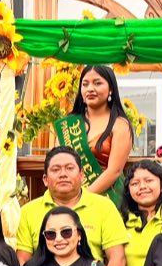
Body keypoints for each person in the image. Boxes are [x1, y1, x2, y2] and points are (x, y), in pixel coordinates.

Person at [16, 146, 129, 266]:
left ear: (82, 176)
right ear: (45, 179)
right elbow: (23, 260)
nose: (63, 174)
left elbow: (117, 258)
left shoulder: (104, 207)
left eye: (69, 168)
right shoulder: (27, 212)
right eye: (56, 169)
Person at [56, 65, 133, 204]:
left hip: (107, 200)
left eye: (97, 83)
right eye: (85, 84)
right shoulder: (68, 124)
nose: (90, 88)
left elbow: (114, 171)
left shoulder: (119, 124)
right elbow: (57, 161)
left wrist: (82, 198)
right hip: (69, 198)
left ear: (111, 89)